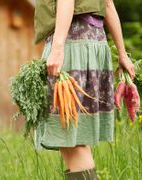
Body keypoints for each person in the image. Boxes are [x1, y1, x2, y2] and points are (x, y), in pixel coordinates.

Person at [33, 0, 135, 179]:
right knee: (76, 138)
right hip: (94, 42)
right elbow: (108, 4)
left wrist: (57, 49)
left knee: (69, 138)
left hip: (72, 43)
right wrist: (122, 53)